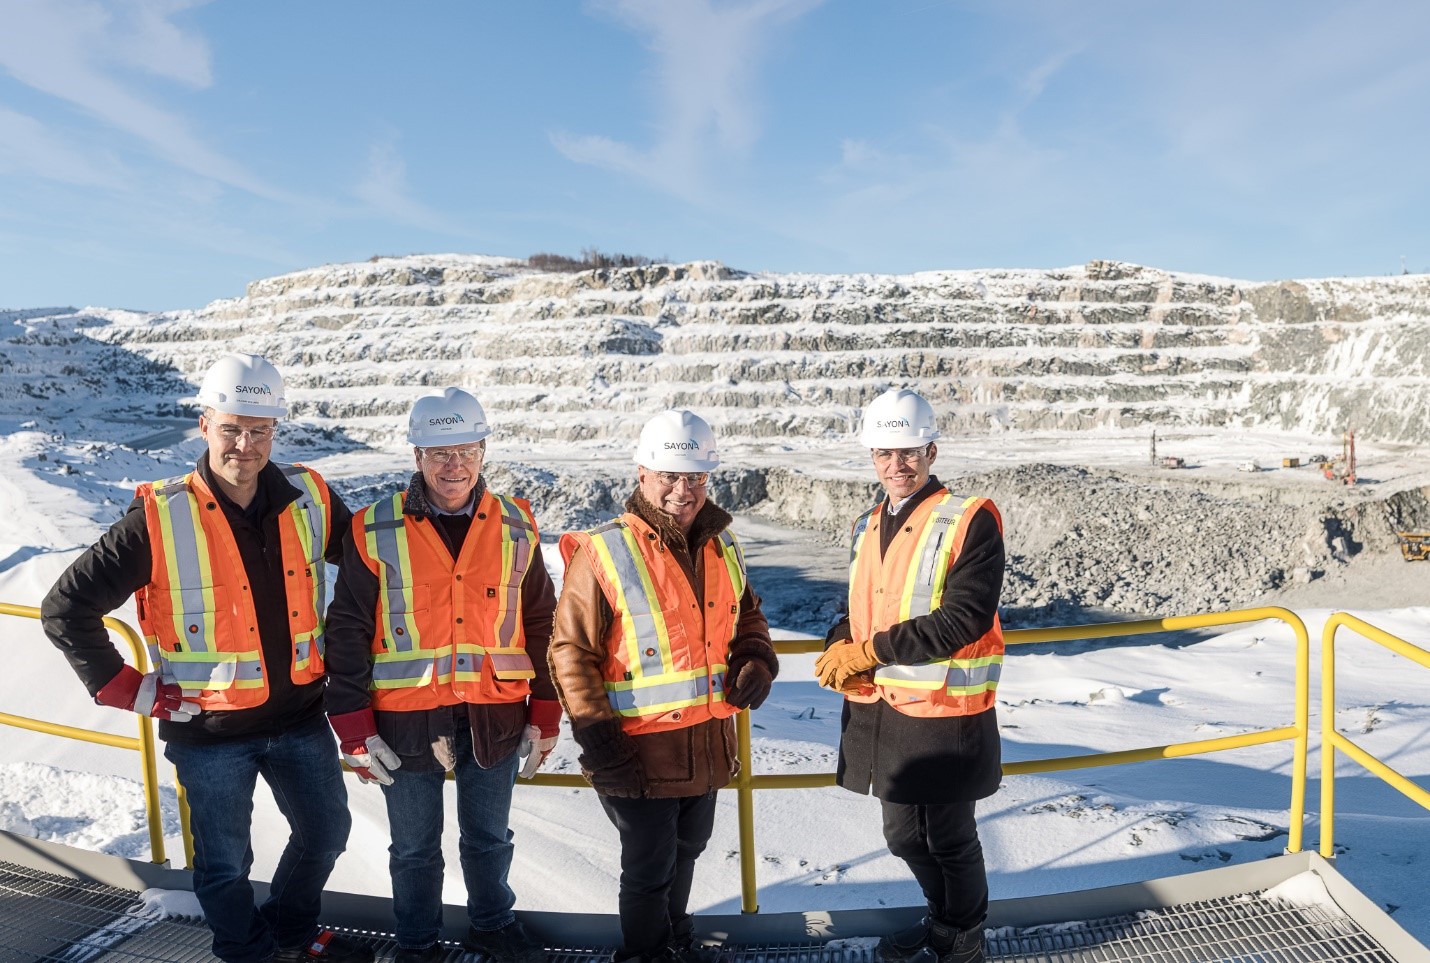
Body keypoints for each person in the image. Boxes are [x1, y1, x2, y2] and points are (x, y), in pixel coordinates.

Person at [41, 353, 369, 963]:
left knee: (327, 834)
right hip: (209, 732)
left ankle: (290, 935)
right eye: (231, 428)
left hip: (300, 717)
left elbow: (365, 568)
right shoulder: (159, 518)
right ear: (204, 425)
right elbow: (65, 607)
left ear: (276, 430)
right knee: (224, 864)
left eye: (260, 430)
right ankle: (245, 953)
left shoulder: (310, 498)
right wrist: (128, 688)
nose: (245, 444)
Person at [323, 387, 558, 963]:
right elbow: (347, 629)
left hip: (494, 712)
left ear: (483, 451)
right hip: (403, 719)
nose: (454, 466)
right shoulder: (373, 527)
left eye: (466, 451)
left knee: (488, 839)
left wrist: (547, 713)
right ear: (417, 456)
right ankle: (417, 943)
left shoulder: (517, 524)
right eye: (438, 453)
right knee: (414, 849)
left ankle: (492, 925)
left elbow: (543, 624)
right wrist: (353, 725)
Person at [548, 409, 779, 963]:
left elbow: (748, 616)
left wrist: (756, 657)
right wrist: (601, 745)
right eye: (670, 476)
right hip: (636, 752)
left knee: (688, 852)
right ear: (642, 474)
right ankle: (645, 955)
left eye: (695, 477)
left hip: (705, 743)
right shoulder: (603, 552)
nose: (683, 490)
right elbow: (570, 654)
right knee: (649, 869)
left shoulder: (723, 546)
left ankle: (676, 942)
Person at [813, 388, 1006, 963]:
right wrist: (840, 645)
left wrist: (866, 652)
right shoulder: (868, 522)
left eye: (908, 453)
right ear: (872, 457)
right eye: (884, 454)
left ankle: (963, 936)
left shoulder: (970, 520)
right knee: (902, 837)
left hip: (945, 712)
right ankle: (942, 918)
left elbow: (963, 619)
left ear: (931, 451)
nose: (896, 466)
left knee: (948, 838)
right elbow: (861, 604)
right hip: (886, 712)